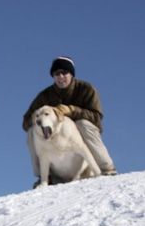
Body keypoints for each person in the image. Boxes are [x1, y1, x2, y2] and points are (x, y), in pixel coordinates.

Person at [22, 56, 117, 186]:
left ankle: (106, 169)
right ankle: (45, 177)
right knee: (32, 131)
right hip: (56, 143)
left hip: (80, 139)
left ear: (71, 74)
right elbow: (26, 121)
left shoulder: (86, 89)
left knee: (82, 124)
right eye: (56, 74)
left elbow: (96, 117)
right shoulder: (45, 96)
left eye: (64, 72)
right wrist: (36, 118)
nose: (60, 77)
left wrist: (72, 110)